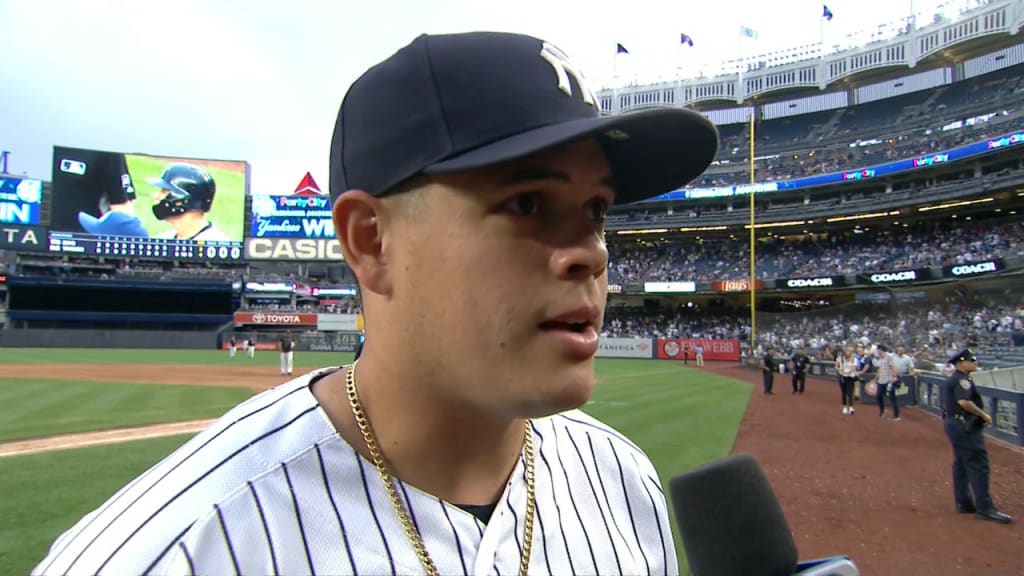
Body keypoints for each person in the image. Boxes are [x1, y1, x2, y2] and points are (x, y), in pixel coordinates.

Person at [34, 31, 718, 575]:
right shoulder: (175, 550)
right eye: (528, 202)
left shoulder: (626, 486)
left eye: (596, 209)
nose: (589, 253)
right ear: (372, 241)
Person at [940, 349, 1013, 524]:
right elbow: (964, 402)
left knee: (961, 463)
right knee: (978, 464)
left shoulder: (958, 378)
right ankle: (985, 508)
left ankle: (964, 502)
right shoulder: (961, 380)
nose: (974, 363)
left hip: (954, 423)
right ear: (960, 363)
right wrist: (984, 415)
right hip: (963, 425)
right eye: (971, 360)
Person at [147, 163, 230, 241]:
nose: (156, 197)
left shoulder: (217, 246)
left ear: (183, 201)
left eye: (164, 191)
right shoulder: (161, 240)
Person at [873, 344, 900, 421]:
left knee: (892, 398)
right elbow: (879, 370)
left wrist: (894, 377)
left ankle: (896, 415)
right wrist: (876, 379)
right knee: (878, 396)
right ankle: (882, 410)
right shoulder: (880, 359)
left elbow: (893, 367)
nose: (877, 352)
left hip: (889, 380)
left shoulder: (889, 357)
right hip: (881, 380)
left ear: (880, 349)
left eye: (877, 350)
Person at [836, 345, 859, 415]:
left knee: (850, 393)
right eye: (849, 351)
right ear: (846, 351)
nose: (850, 352)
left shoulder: (854, 359)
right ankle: (845, 407)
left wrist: (848, 371)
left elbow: (854, 368)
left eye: (852, 351)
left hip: (850, 377)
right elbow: (836, 366)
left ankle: (851, 407)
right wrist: (840, 369)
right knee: (844, 393)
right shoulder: (840, 358)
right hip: (842, 377)